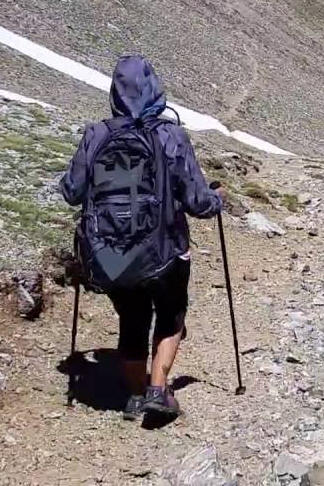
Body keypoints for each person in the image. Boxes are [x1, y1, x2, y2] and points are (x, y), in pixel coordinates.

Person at [60, 55, 224, 421]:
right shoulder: (170, 135)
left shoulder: (97, 135)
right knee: (170, 316)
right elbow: (197, 201)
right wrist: (217, 200)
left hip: (112, 252)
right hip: (165, 251)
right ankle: (157, 389)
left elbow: (71, 191)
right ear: (154, 90)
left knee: (132, 319)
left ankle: (134, 395)